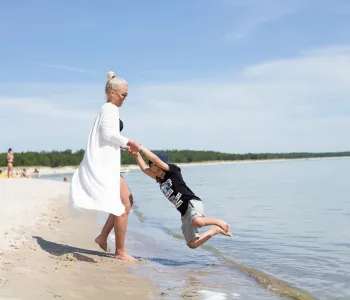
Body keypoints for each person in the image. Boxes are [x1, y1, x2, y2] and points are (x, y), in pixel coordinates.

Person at [70, 71, 140, 261]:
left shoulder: (107, 108)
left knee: (125, 201)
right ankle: (120, 252)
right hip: (104, 166)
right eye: (123, 94)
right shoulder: (110, 108)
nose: (125, 98)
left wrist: (123, 145)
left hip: (108, 165)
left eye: (126, 95)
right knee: (124, 204)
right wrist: (128, 142)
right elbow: (108, 133)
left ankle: (102, 237)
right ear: (112, 93)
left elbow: (107, 137)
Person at [131, 146, 232, 249]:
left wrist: (140, 148)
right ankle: (215, 230)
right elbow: (144, 169)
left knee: (198, 222)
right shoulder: (160, 179)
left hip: (191, 202)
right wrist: (137, 155)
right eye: (154, 172)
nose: (157, 174)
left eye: (158, 170)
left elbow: (155, 159)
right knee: (192, 244)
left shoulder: (173, 171)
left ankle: (218, 222)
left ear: (164, 165)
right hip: (184, 212)